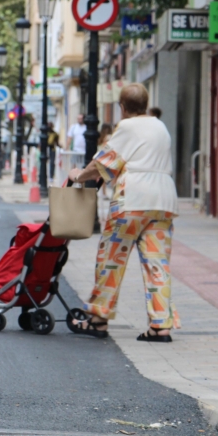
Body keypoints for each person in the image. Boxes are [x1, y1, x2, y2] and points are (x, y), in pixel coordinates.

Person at [67, 84, 178, 342]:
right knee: (157, 263)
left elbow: (104, 162)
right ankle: (160, 326)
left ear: (122, 107)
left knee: (111, 260)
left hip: (132, 201)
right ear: (147, 104)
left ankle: (98, 319)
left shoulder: (127, 127)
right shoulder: (160, 126)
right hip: (163, 201)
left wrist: (79, 175)